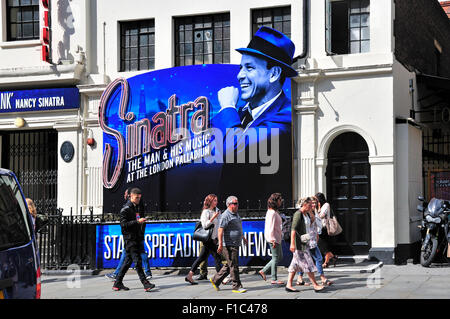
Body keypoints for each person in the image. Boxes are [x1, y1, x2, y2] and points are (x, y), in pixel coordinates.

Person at [211, 26, 297, 203]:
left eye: (249, 68)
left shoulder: (285, 117)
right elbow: (215, 151)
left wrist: (227, 107)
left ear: (274, 74)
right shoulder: (240, 115)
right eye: (241, 68)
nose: (240, 75)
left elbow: (233, 149)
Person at [112, 188, 155, 292]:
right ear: (131, 196)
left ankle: (117, 283)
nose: (138, 199)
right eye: (136, 197)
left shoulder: (138, 207)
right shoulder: (125, 209)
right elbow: (123, 225)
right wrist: (137, 222)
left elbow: (140, 222)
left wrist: (141, 231)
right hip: (130, 239)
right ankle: (145, 283)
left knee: (127, 262)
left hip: (137, 238)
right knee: (137, 261)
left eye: (139, 197)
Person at [285, 197, 324, 293]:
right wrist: (292, 244)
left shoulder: (306, 214)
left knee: (294, 265)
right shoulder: (298, 214)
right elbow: (293, 230)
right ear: (304, 204)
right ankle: (315, 285)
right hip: (299, 244)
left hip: (304, 242)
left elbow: (310, 226)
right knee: (308, 264)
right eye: (310, 205)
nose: (311, 206)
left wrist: (311, 213)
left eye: (312, 205)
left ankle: (289, 285)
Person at [209, 196, 248, 293]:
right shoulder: (225, 215)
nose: (237, 205)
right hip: (229, 244)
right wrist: (221, 244)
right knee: (234, 265)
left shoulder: (236, 214)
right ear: (229, 205)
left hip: (235, 243)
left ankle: (215, 280)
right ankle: (236, 286)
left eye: (237, 203)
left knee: (229, 265)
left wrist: (243, 238)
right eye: (235, 203)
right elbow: (220, 230)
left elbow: (238, 227)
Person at [185, 194, 224, 285]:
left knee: (201, 258)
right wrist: (213, 218)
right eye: (214, 200)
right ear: (210, 202)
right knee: (217, 257)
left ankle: (189, 275)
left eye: (216, 200)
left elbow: (219, 224)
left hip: (214, 238)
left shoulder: (217, 210)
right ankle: (220, 278)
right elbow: (205, 225)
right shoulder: (206, 212)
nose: (216, 202)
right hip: (208, 239)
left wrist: (219, 237)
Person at [296, 196, 333, 287]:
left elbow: (318, 226)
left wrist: (316, 235)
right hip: (306, 240)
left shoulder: (314, 212)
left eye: (315, 203)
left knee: (307, 260)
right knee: (317, 258)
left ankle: (300, 278)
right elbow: (307, 225)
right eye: (311, 203)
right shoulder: (306, 213)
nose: (313, 205)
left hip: (312, 239)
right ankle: (322, 278)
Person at [258, 193, 284, 285]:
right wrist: (272, 239)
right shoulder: (272, 213)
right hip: (274, 239)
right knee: (276, 258)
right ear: (276, 201)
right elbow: (270, 227)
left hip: (277, 238)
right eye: (280, 200)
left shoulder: (274, 211)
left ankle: (264, 271)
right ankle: (273, 278)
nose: (281, 201)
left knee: (279, 257)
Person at [316, 192, 338, 268]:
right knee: (322, 245)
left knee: (323, 246)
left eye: (316, 200)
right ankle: (333, 257)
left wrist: (318, 208)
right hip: (319, 228)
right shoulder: (321, 206)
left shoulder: (326, 205)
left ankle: (326, 262)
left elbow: (321, 216)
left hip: (325, 228)